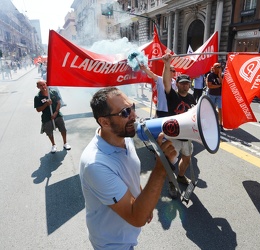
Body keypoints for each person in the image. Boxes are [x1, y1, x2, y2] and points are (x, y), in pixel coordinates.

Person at [79, 87, 177, 249]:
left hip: (127, 236)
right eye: (125, 112)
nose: (134, 116)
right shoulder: (95, 165)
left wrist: (142, 201)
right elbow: (136, 217)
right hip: (112, 244)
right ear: (104, 122)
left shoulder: (124, 136)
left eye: (132, 108)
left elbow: (130, 174)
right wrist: (161, 168)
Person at [162, 53, 197, 198]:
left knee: (187, 159)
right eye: (182, 83)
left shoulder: (191, 97)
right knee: (171, 162)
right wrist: (166, 64)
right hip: (174, 136)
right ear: (177, 84)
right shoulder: (172, 95)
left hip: (187, 136)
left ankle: (180, 177)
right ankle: (171, 183)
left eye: (187, 83)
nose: (184, 85)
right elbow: (166, 83)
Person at [34, 79, 71, 153]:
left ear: (46, 84)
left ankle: (65, 143)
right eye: (40, 85)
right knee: (49, 132)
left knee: (63, 128)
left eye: (44, 84)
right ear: (38, 87)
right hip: (46, 117)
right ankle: (53, 145)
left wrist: (56, 112)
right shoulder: (37, 97)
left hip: (57, 114)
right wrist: (46, 104)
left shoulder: (53, 92)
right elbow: (38, 110)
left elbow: (58, 103)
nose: (43, 86)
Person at [206, 63, 223, 131]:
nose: (219, 68)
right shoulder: (210, 75)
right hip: (212, 95)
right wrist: (219, 86)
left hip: (219, 95)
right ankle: (211, 123)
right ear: (213, 68)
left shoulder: (222, 75)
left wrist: (219, 76)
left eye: (219, 66)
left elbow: (223, 84)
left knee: (220, 109)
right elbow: (209, 86)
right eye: (217, 66)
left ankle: (220, 124)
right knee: (212, 109)